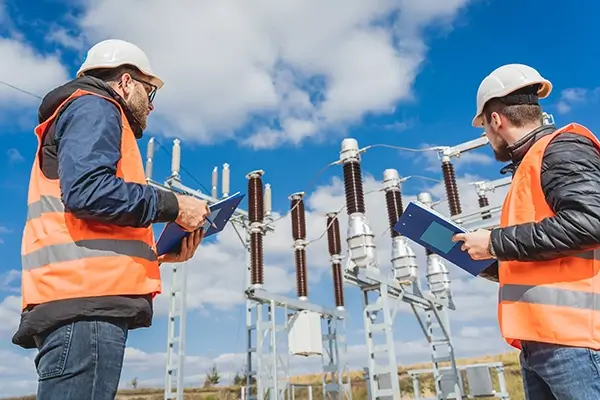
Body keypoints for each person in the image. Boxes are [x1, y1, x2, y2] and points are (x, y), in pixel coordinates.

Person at [13, 39, 211, 400]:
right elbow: (88, 192)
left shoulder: (85, 111)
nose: (150, 107)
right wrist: (175, 206)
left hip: (78, 305)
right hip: (84, 309)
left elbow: (88, 219)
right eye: (149, 93)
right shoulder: (95, 107)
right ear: (125, 82)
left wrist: (157, 253)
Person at [453, 63, 600, 400]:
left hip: (577, 343)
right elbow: (543, 253)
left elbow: (592, 221)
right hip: (542, 344)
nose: (487, 138)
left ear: (495, 120)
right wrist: (485, 258)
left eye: (484, 129)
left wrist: (493, 242)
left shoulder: (561, 148)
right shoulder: (529, 169)